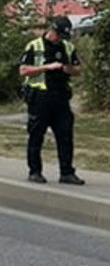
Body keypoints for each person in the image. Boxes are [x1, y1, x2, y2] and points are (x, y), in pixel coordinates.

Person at [19, 16, 83, 184]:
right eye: (59, 35)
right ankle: (35, 172)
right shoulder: (35, 46)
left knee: (65, 136)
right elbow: (23, 70)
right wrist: (46, 67)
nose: (60, 38)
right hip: (40, 97)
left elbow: (78, 70)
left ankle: (67, 173)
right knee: (36, 135)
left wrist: (68, 69)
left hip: (61, 97)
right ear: (52, 30)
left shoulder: (68, 47)